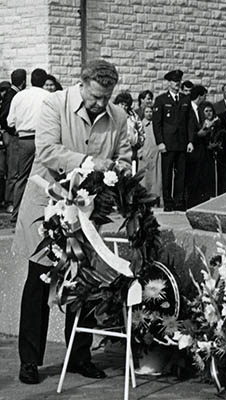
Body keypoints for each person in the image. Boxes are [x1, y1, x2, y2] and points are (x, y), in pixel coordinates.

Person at [14, 59, 132, 385]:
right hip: (47, 209)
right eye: (94, 97)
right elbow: (47, 150)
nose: (99, 104)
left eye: (105, 99)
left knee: (85, 282)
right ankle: (29, 360)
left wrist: (121, 169)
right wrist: (89, 162)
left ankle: (79, 355)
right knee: (39, 284)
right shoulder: (54, 103)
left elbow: (123, 158)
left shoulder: (118, 117)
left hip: (88, 214)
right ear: (82, 84)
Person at [7, 68, 49, 222]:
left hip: (24, 138)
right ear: (44, 82)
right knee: (43, 176)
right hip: (42, 138)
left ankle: (17, 212)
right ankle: (40, 211)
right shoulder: (48, 96)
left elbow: (10, 121)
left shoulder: (19, 96)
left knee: (22, 177)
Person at [153, 69, 193, 211]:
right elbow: (157, 123)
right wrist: (160, 142)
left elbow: (189, 121)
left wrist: (190, 141)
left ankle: (179, 202)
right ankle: (168, 203)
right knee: (167, 174)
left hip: (182, 143)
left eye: (178, 82)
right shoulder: (161, 100)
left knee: (181, 174)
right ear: (169, 83)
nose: (177, 84)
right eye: (174, 82)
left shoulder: (185, 99)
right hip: (168, 144)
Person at [0, 68, 27, 214]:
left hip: (14, 135)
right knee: (13, 170)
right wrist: (12, 131)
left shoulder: (13, 94)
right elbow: (4, 117)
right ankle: (10, 200)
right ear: (24, 81)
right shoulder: (12, 95)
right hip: (13, 137)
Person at [185, 85, 213, 208]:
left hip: (201, 148)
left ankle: (199, 201)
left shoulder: (199, 110)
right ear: (200, 96)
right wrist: (197, 135)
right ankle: (191, 202)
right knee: (192, 177)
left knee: (201, 176)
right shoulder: (188, 109)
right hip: (192, 147)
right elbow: (187, 128)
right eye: (204, 95)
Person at [138, 105, 162, 204]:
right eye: (147, 112)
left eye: (151, 112)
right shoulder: (140, 124)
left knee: (156, 177)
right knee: (144, 177)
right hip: (144, 153)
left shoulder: (156, 124)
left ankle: (155, 198)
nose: (149, 114)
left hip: (155, 153)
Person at [114, 90, 145, 161]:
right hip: (117, 149)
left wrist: (139, 142)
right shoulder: (112, 116)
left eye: (126, 105)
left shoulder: (133, 116)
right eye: (122, 104)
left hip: (132, 148)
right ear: (117, 104)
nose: (124, 107)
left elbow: (141, 130)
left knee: (132, 170)